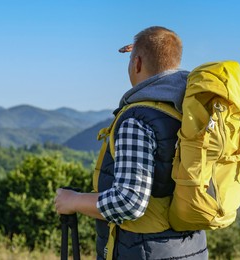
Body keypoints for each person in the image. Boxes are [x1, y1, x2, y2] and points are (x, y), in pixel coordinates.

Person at [54, 26, 208, 259]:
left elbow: (128, 202)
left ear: (136, 63)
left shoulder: (137, 120)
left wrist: (73, 201)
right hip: (191, 248)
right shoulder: (189, 113)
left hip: (146, 252)